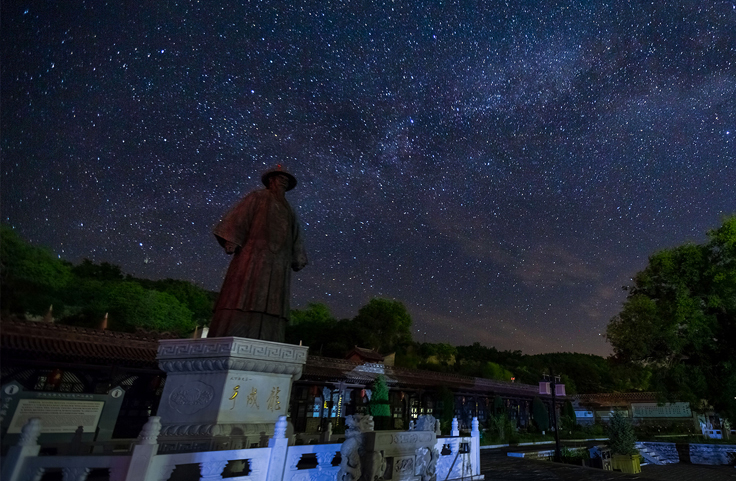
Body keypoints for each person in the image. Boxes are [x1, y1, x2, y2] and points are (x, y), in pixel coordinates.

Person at [208, 166, 308, 341]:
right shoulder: (257, 197)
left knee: (275, 300)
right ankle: (233, 330)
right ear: (271, 180)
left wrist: (298, 256)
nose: (283, 180)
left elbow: (296, 235)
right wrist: (232, 238)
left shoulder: (289, 210)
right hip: (253, 254)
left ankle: (270, 336)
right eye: (280, 177)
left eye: (286, 179)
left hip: (279, 261)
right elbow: (238, 218)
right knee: (242, 292)